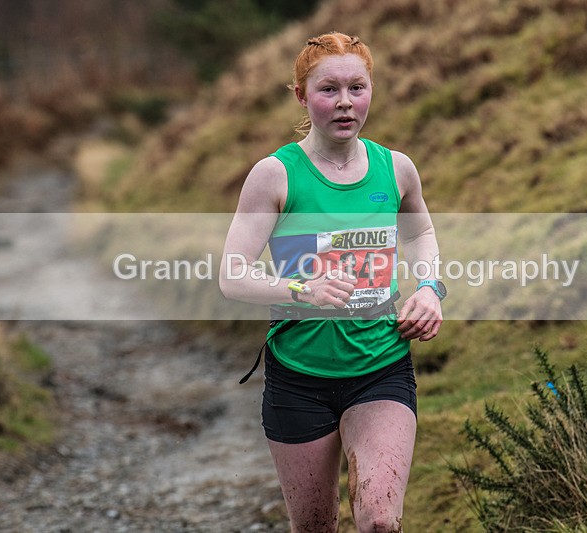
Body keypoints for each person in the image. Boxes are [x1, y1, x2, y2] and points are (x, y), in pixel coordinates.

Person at [219, 31, 445, 533]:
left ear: (371, 90)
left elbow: (420, 233)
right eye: (329, 89)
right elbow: (232, 275)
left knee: (380, 520)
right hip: (299, 377)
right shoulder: (275, 175)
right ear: (302, 96)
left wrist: (430, 287)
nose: (345, 102)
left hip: (381, 366)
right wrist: (303, 291)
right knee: (315, 526)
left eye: (356, 88)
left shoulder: (396, 169)